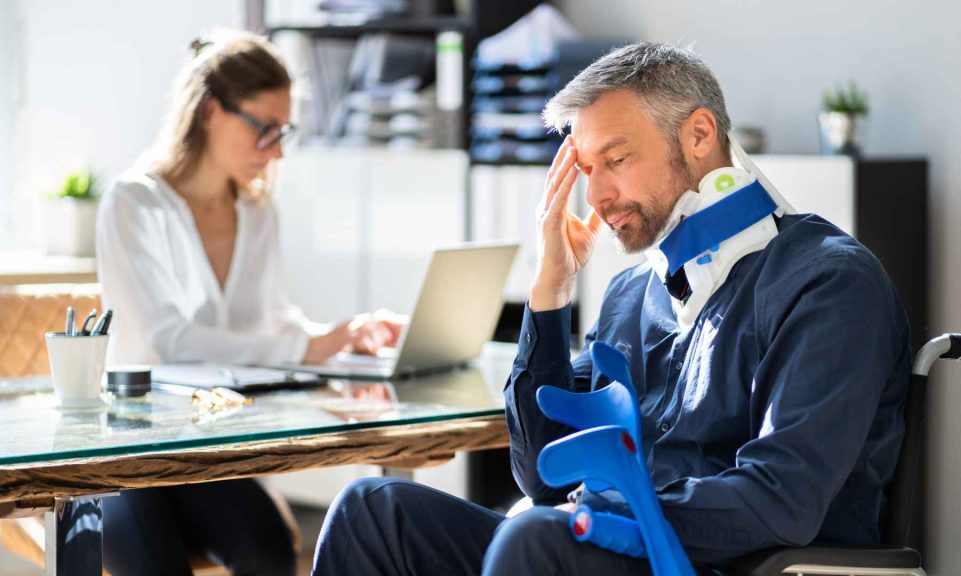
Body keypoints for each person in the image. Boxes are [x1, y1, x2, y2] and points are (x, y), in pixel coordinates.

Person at [310, 42, 911, 575]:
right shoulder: (633, 294)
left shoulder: (829, 283)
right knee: (373, 509)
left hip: (736, 562)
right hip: (607, 548)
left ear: (699, 135)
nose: (596, 197)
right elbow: (545, 477)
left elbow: (782, 499)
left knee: (534, 538)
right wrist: (550, 294)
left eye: (616, 160)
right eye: (587, 169)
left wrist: (602, 514)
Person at [95, 31, 401, 575]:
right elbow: (170, 343)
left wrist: (340, 336)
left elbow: (271, 320)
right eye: (265, 129)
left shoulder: (258, 212)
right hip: (128, 455)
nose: (278, 149)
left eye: (284, 132)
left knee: (271, 549)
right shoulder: (134, 203)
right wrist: (308, 343)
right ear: (211, 111)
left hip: (208, 454)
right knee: (153, 564)